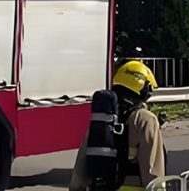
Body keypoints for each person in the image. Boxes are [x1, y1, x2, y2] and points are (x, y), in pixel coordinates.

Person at [71, 61, 165, 191]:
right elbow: (152, 170)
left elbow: (81, 165)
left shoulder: (101, 118)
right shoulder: (145, 120)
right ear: (143, 88)